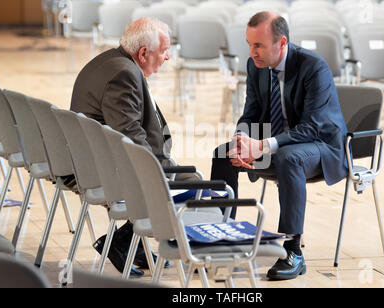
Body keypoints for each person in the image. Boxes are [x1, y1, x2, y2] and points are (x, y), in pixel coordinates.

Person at [211, 12, 348, 281]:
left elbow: (312, 127)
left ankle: (292, 250)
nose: (252, 52)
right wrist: (242, 141)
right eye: (249, 44)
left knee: (289, 158)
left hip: (320, 146)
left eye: (258, 45)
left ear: (281, 43)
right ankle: (220, 241)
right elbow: (250, 114)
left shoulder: (313, 67)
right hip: (277, 143)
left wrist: (260, 145)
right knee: (223, 154)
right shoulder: (256, 66)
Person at [70, 18, 192, 275]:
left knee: (178, 175)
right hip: (107, 171)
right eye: (164, 50)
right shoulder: (123, 73)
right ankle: (124, 240)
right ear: (144, 53)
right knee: (198, 187)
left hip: (96, 161)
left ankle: (132, 241)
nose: (168, 57)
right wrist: (160, 169)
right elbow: (129, 137)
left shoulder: (109, 62)